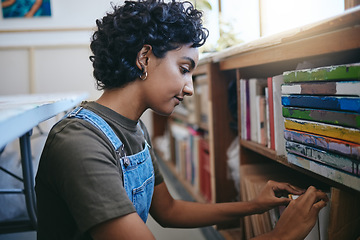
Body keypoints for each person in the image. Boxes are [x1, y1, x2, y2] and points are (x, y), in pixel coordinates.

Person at [35, 0, 329, 239]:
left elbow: (169, 210)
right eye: (184, 68)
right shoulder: (80, 142)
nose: (189, 87)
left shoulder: (133, 129)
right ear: (145, 58)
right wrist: (281, 236)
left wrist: (253, 206)